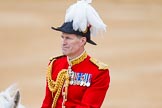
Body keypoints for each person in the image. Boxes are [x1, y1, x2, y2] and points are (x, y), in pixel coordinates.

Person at [41, 0, 110, 108]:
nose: (63, 42)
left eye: (68, 38)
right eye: (62, 37)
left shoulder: (99, 72)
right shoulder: (55, 64)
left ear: (82, 41)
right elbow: (47, 103)